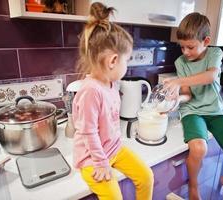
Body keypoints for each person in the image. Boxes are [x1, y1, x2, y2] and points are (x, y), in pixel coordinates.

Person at [163, 12, 223, 200]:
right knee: (198, 149)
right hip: (192, 111)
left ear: (206, 41)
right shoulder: (181, 62)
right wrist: (177, 100)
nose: (185, 52)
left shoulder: (215, 53)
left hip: (215, 111)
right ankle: (194, 186)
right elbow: (187, 94)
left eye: (191, 47)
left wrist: (178, 81)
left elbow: (210, 76)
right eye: (182, 47)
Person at [72, 2, 154, 200]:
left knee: (146, 177)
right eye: (127, 60)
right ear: (113, 61)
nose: (127, 65)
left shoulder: (111, 84)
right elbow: (88, 131)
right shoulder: (91, 90)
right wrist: (101, 162)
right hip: (92, 158)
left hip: (113, 148)